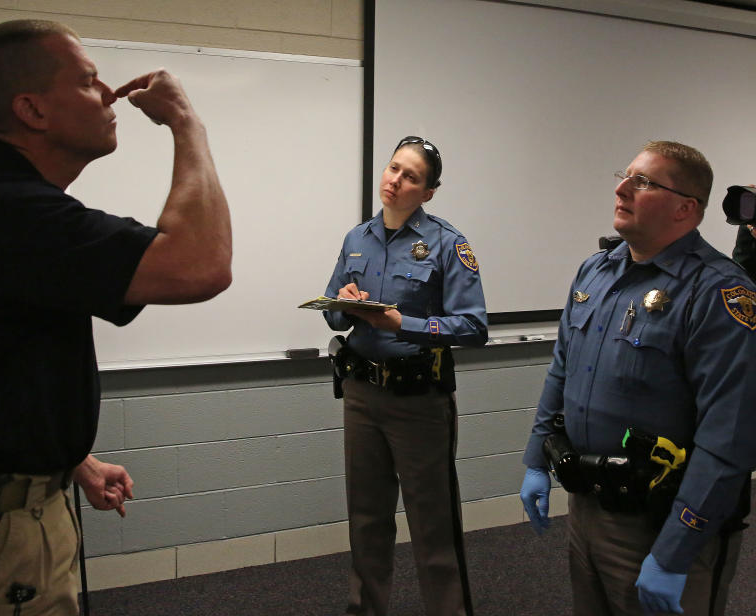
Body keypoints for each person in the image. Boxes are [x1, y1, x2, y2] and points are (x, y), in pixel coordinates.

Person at [0, 19, 232, 615]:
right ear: (33, 110)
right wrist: (186, 124)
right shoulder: (4, 211)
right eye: (89, 81)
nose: (109, 93)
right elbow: (201, 264)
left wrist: (73, 462)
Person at [519, 141, 756, 615]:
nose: (622, 188)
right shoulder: (595, 272)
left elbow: (728, 437)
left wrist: (675, 550)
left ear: (685, 209)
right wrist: (535, 460)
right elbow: (561, 371)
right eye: (625, 176)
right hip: (586, 506)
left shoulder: (719, 292)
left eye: (644, 182)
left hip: (659, 521)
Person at [324, 136, 488, 616]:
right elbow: (333, 313)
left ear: (429, 192)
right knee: (367, 521)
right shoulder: (357, 238)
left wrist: (405, 325)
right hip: (360, 394)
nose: (395, 181)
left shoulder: (447, 243)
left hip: (419, 400)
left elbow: (474, 326)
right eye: (393, 169)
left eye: (410, 176)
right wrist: (344, 306)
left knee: (432, 526)